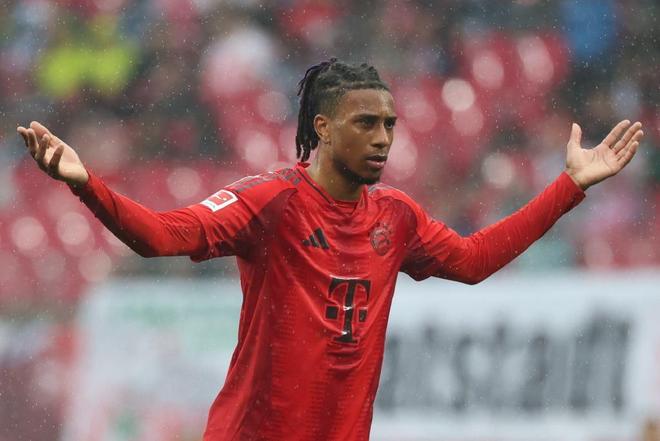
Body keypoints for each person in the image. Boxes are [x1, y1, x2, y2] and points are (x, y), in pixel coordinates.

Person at [17, 59, 643, 441]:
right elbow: (161, 237)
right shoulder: (270, 201)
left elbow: (474, 261)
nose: (383, 138)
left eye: (389, 124)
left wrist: (569, 188)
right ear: (322, 127)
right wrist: (86, 184)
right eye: (365, 123)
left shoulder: (395, 216)